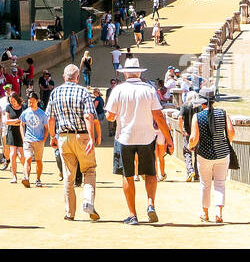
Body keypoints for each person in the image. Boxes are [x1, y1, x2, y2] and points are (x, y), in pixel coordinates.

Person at [106, 58, 173, 225]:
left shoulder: (118, 90)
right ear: (139, 72)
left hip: (125, 137)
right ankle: (150, 204)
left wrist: (118, 116)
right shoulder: (149, 90)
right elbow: (159, 115)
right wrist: (169, 138)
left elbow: (109, 116)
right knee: (150, 173)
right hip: (146, 137)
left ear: (125, 73)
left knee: (127, 175)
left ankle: (132, 214)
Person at [45, 63, 101, 222]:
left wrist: (52, 137)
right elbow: (89, 116)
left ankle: (70, 213)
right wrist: (91, 137)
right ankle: (88, 201)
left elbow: (50, 118)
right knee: (89, 170)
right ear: (77, 77)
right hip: (81, 136)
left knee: (68, 176)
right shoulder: (83, 91)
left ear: (64, 76)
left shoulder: (55, 92)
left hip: (63, 137)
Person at [187, 85, 235, 223]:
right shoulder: (223, 113)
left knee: (205, 184)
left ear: (201, 102)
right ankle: (219, 213)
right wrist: (225, 142)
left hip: (204, 155)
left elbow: (193, 138)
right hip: (222, 153)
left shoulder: (197, 116)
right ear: (213, 101)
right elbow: (231, 133)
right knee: (220, 183)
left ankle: (205, 213)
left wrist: (191, 147)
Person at [19, 91, 48, 187]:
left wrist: (44, 139)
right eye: (29, 102)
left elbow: (46, 127)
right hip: (28, 140)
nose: (30, 104)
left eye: (32, 101)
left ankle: (38, 179)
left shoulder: (42, 113)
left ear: (37, 101)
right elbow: (21, 125)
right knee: (28, 158)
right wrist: (23, 137)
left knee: (39, 161)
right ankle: (26, 178)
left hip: (39, 140)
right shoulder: (25, 112)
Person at [3, 92, 26, 184]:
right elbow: (6, 121)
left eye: (13, 101)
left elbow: (25, 120)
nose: (12, 103)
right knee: (12, 154)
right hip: (12, 132)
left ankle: (25, 173)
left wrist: (16, 122)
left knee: (22, 155)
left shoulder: (24, 106)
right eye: (10, 101)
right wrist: (16, 121)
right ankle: (14, 176)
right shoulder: (8, 107)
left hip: (22, 132)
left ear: (17, 99)